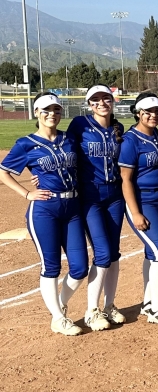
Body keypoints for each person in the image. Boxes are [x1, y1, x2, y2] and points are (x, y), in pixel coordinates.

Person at [0, 93, 89, 335]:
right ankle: (59, 318)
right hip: (44, 210)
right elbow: (4, 172)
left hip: (72, 208)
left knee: (80, 267)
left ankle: (58, 306)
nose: (52, 114)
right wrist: (27, 193)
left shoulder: (69, 139)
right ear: (37, 112)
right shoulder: (26, 144)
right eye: (46, 110)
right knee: (51, 267)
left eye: (56, 110)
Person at [119, 93, 158, 324]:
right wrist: (135, 212)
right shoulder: (130, 140)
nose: (153, 115)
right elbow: (125, 179)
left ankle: (148, 302)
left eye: (157, 111)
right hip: (144, 201)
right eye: (147, 111)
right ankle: (157, 308)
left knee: (152, 253)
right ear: (138, 113)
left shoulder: (155, 134)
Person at [66, 84, 126, 331]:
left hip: (115, 196)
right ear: (89, 104)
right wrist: (39, 175)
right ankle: (92, 310)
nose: (101, 103)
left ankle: (110, 305)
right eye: (95, 100)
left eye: (106, 99)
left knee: (113, 253)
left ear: (113, 102)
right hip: (90, 197)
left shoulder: (118, 128)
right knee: (101, 252)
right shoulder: (80, 125)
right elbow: (60, 149)